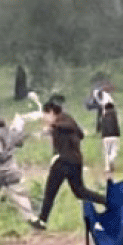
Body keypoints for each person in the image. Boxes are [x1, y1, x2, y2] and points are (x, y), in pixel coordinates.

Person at [34, 96, 105, 229]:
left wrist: (53, 126)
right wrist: (53, 129)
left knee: (50, 191)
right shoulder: (65, 121)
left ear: (51, 112)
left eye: (45, 115)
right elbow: (80, 133)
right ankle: (109, 201)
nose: (44, 118)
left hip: (63, 161)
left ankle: (42, 221)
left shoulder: (64, 120)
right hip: (75, 161)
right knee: (79, 191)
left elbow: (70, 127)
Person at [0, 115, 42, 232]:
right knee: (20, 194)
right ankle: (31, 217)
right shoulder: (10, 132)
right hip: (12, 168)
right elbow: (20, 142)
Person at [99, 101, 121, 179]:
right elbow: (117, 126)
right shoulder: (115, 115)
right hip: (114, 136)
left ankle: (107, 168)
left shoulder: (103, 116)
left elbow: (101, 127)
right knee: (113, 150)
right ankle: (112, 159)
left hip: (105, 136)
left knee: (106, 152)